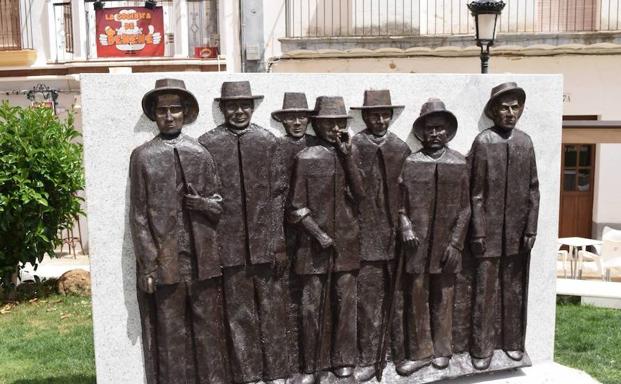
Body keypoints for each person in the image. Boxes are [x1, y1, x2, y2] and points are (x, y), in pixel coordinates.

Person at [130, 78, 228, 384]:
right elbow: (139, 215)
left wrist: (201, 204)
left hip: (202, 259)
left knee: (207, 330)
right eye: (162, 110)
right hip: (165, 259)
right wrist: (148, 264)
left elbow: (218, 206)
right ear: (154, 115)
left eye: (175, 109)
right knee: (170, 331)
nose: (169, 116)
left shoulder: (199, 153)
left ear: (185, 113)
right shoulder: (143, 156)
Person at [198, 81, 290, 384]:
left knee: (273, 310)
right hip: (229, 244)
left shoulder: (268, 141)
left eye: (245, 106)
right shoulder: (208, 144)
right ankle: (248, 374)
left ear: (253, 108)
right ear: (223, 109)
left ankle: (277, 372)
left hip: (265, 242)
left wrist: (278, 241)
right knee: (239, 314)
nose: (239, 111)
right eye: (232, 106)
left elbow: (279, 195)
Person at [287, 96, 364, 384]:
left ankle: (344, 360)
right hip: (312, 246)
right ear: (317, 125)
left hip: (346, 244)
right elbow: (295, 207)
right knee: (311, 307)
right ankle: (312, 366)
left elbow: (361, 196)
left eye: (339, 122)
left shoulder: (350, 154)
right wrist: (319, 234)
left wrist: (347, 157)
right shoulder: (305, 158)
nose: (334, 128)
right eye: (328, 123)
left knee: (345, 303)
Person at [396, 98, 470, 375]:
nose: (435, 134)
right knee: (416, 296)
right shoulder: (411, 162)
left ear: (448, 131)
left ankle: (443, 350)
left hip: (446, 246)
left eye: (440, 129)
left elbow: (466, 208)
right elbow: (399, 203)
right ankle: (421, 352)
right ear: (422, 132)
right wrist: (404, 223)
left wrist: (456, 243)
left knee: (444, 297)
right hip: (417, 245)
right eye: (429, 129)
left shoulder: (459, 162)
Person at [469, 82, 539, 370]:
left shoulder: (525, 142)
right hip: (488, 233)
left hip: (517, 233)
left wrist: (531, 229)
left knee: (513, 289)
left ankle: (512, 342)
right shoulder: (483, 142)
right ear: (493, 111)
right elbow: (475, 193)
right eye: (504, 107)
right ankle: (481, 347)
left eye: (515, 107)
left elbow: (534, 189)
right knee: (484, 291)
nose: (510, 113)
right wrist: (479, 230)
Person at [350, 90, 411, 382]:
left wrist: (405, 222)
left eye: (384, 114)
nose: (379, 119)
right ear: (365, 116)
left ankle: (399, 355)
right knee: (367, 303)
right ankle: (367, 358)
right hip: (365, 239)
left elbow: (410, 194)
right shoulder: (355, 145)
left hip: (397, 238)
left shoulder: (400, 148)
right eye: (373, 114)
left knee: (398, 301)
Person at [272, 92, 317, 374]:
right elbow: (274, 196)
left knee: (311, 301)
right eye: (292, 117)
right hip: (286, 232)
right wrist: (276, 237)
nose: (297, 122)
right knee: (287, 299)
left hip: (314, 232)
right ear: (284, 120)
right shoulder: (276, 148)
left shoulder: (318, 145)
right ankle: (292, 363)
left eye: (302, 117)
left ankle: (313, 361)